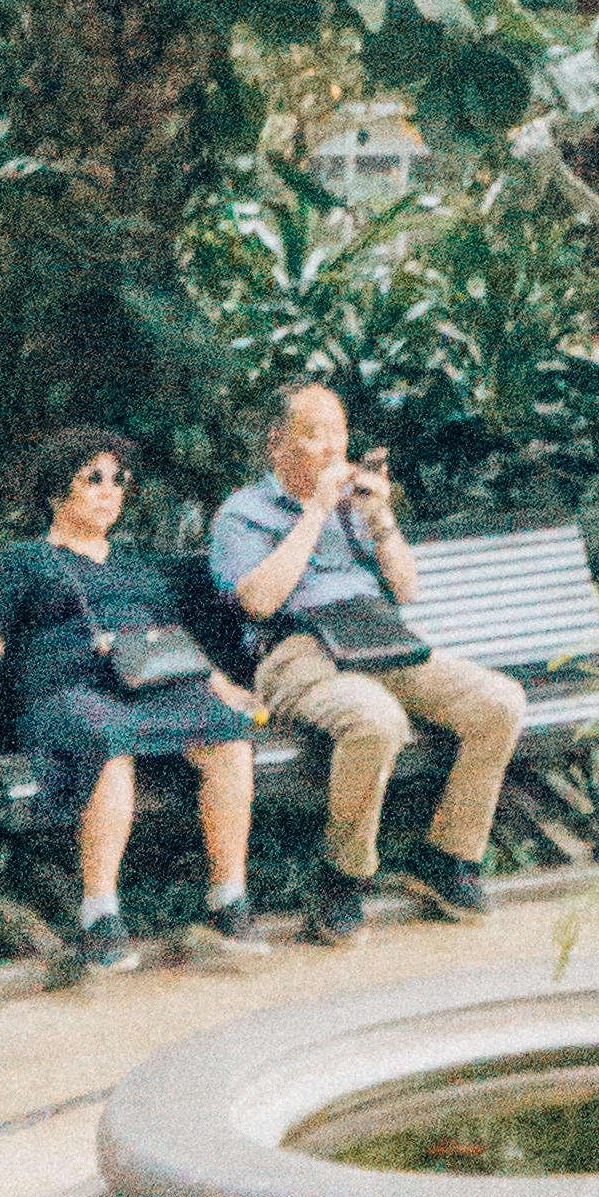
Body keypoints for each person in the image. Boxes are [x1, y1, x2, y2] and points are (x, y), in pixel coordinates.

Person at [0, 427, 271, 978]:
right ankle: (99, 912)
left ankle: (228, 899)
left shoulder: (136, 565)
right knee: (108, 747)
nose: (109, 490)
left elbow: (172, 643)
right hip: (64, 695)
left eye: (118, 480)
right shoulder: (23, 562)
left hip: (148, 690)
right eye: (92, 478)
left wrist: (222, 687)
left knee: (229, 738)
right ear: (55, 492)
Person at [207, 377, 524, 942]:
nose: (331, 447)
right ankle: (342, 875)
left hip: (379, 638)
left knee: (500, 702)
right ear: (278, 443)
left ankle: (449, 858)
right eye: (314, 435)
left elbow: (406, 590)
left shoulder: (357, 509)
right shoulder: (242, 513)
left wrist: (381, 520)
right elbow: (257, 602)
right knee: (376, 720)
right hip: (297, 649)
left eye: (339, 433)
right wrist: (314, 513)